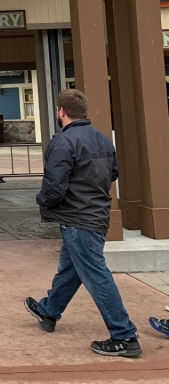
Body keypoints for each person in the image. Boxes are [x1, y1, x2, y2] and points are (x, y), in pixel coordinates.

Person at [25, 89, 141, 358]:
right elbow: (113, 172)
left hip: (77, 218)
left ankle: (124, 335)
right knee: (71, 268)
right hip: (96, 214)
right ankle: (49, 311)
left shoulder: (63, 142)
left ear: (61, 111)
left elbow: (54, 186)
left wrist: (43, 202)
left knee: (95, 275)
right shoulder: (102, 138)